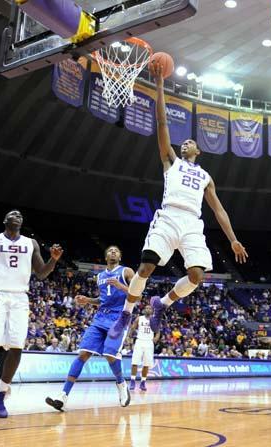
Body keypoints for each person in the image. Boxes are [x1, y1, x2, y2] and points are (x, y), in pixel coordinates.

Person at [107, 63, 248, 339]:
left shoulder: (206, 176)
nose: (186, 144)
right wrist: (159, 84)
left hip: (192, 224)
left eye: (191, 143)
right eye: (183, 143)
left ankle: (162, 303)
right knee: (146, 267)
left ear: (199, 150)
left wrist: (232, 239)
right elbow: (162, 123)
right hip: (169, 216)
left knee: (196, 276)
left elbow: (218, 209)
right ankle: (126, 314)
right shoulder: (171, 161)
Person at [0, 210, 63, 418]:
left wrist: (53, 260)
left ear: (22, 223)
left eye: (20, 215)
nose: (17, 215)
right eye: (12, 214)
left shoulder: (31, 244)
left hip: (20, 297)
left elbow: (42, 274)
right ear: (5, 220)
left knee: (16, 348)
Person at [45, 246, 134, 412]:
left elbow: (138, 295)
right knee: (83, 354)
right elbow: (102, 300)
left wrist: (121, 286)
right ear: (105, 256)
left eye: (116, 250)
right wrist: (88, 300)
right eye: (110, 250)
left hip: (119, 318)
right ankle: (63, 397)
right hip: (100, 318)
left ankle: (121, 384)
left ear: (120, 256)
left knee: (109, 353)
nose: (113, 252)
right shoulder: (99, 276)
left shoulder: (126, 272)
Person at [128, 305, 159, 392]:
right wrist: (130, 334)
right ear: (144, 310)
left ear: (152, 311)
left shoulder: (154, 320)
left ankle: (143, 382)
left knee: (146, 364)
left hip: (149, 342)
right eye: (146, 308)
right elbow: (133, 327)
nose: (148, 309)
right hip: (140, 341)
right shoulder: (139, 318)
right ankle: (132, 381)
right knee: (135, 362)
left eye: (150, 308)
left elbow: (158, 331)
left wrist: (156, 338)